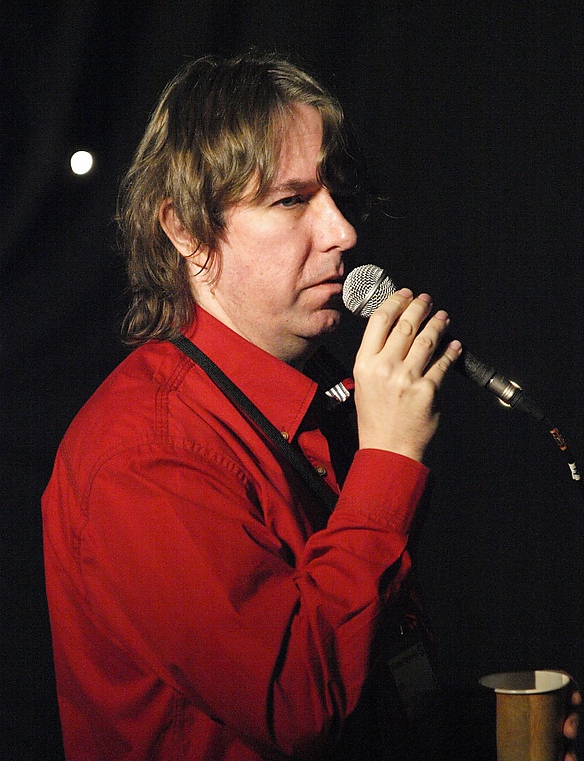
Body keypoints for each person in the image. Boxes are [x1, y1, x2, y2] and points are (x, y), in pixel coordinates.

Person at [42, 51, 579, 760]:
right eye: (291, 201)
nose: (342, 232)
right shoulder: (142, 453)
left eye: (333, 196)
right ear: (185, 230)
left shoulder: (319, 391)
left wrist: (483, 730)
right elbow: (296, 703)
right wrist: (389, 457)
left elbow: (364, 674)